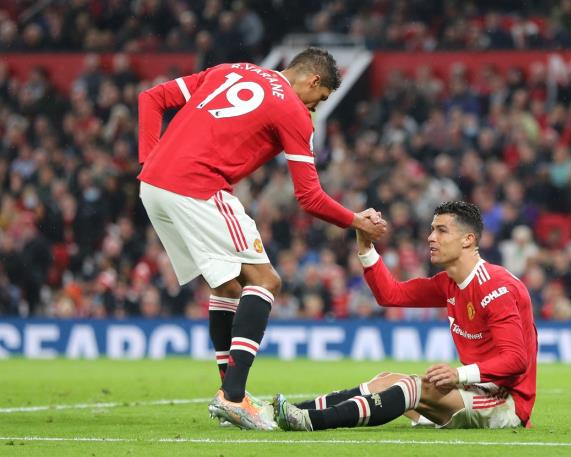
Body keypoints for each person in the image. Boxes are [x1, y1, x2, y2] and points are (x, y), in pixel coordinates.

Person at [137, 48, 386, 430]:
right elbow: (309, 197)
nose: (315, 108)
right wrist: (356, 221)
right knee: (266, 280)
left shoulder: (229, 69)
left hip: (153, 185)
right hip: (198, 187)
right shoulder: (293, 110)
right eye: (319, 99)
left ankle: (229, 398)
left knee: (227, 286)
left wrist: (150, 159)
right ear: (313, 81)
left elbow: (151, 98)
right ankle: (233, 398)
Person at [274, 201, 537, 431]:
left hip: (506, 402)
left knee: (415, 387)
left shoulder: (496, 287)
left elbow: (516, 359)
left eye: (441, 230)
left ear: (468, 239)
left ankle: (311, 421)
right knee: (385, 381)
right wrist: (365, 246)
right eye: (432, 229)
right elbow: (391, 295)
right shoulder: (449, 283)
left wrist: (458, 375)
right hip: (476, 389)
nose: (431, 237)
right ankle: (288, 413)